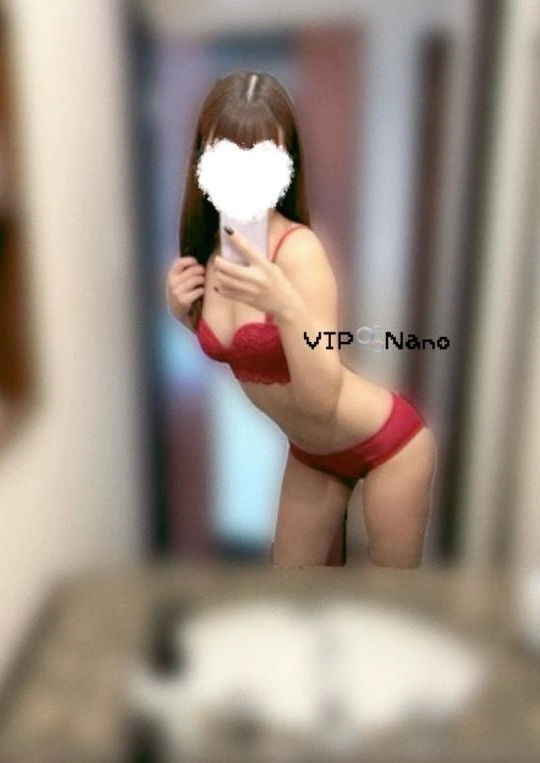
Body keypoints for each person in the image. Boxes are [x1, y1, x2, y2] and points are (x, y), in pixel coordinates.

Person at [166, 70, 437, 568]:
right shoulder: (209, 255)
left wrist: (287, 308)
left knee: (390, 600)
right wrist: (184, 314)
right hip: (311, 452)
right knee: (290, 594)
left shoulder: (300, 252)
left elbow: (320, 399)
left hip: (389, 445)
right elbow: (233, 351)